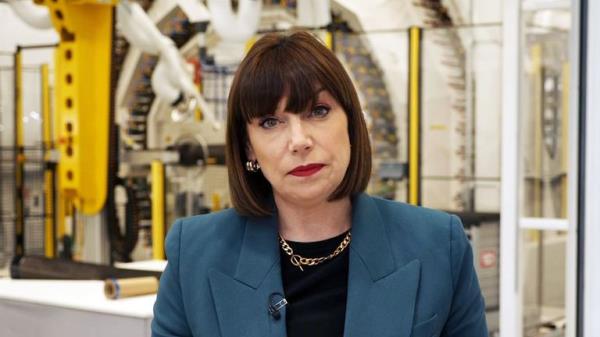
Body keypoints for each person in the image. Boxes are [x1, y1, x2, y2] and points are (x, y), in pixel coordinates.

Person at [152, 31, 488, 337]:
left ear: (351, 123)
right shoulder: (194, 252)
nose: (299, 140)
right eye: (271, 121)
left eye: (318, 111)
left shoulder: (438, 245)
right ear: (248, 147)